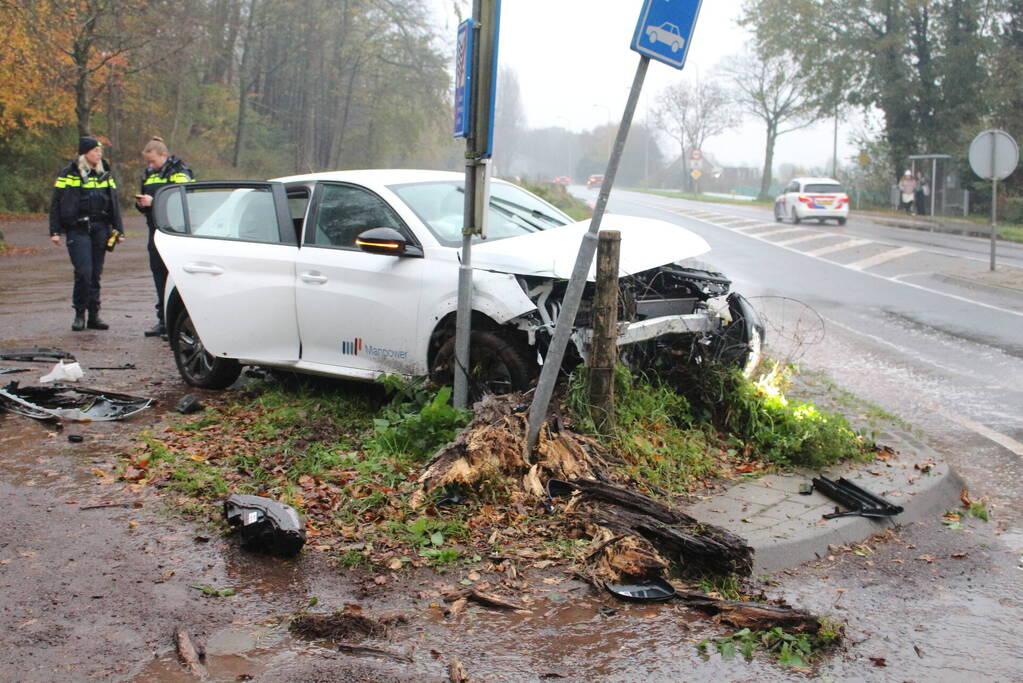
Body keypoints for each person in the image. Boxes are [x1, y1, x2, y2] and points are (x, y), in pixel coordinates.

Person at [48, 136, 124, 331]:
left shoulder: (105, 172)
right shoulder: (69, 173)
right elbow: (56, 202)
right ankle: (79, 313)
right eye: (96, 151)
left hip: (100, 228)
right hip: (77, 229)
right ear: (85, 153)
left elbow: (114, 202)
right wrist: (55, 230)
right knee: (84, 271)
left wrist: (119, 229)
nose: (99, 154)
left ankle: (94, 315)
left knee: (96, 273)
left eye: (100, 151)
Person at [134, 136, 194, 337]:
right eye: (148, 162)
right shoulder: (150, 174)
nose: (150, 165)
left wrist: (155, 201)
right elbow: (148, 201)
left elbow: (181, 197)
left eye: (153, 161)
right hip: (155, 230)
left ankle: (178, 323)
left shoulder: (180, 172)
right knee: (158, 276)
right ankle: (163, 321)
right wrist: (142, 204)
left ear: (164, 155)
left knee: (174, 277)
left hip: (175, 232)